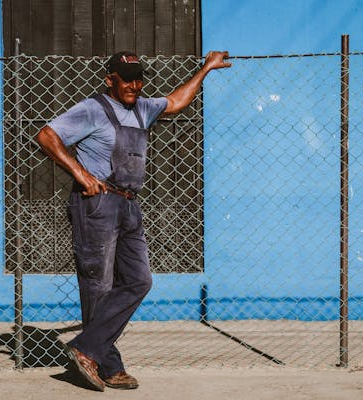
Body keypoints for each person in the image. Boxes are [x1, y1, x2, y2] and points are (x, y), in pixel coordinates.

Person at [36, 50, 231, 391]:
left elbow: (175, 102)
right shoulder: (92, 109)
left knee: (139, 281)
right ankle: (107, 365)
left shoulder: (143, 108)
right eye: (126, 78)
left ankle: (87, 349)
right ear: (110, 78)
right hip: (97, 204)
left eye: (139, 78)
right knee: (98, 287)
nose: (134, 85)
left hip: (128, 205)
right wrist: (80, 173)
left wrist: (206, 69)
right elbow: (47, 136)